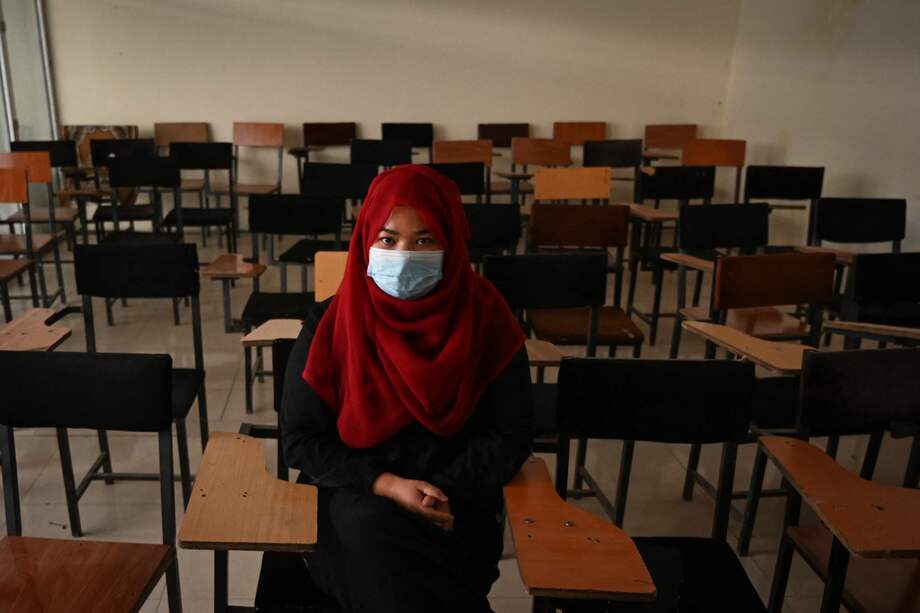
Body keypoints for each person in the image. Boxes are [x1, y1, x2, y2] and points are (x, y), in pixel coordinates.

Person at [281, 164, 533, 613]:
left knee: (380, 548)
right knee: (367, 527)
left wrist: (432, 492)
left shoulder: (488, 320)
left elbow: (509, 435)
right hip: (355, 492)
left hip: (456, 505)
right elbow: (301, 440)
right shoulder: (330, 324)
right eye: (387, 239)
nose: (403, 254)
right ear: (365, 242)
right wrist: (387, 484)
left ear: (451, 243)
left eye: (424, 239)